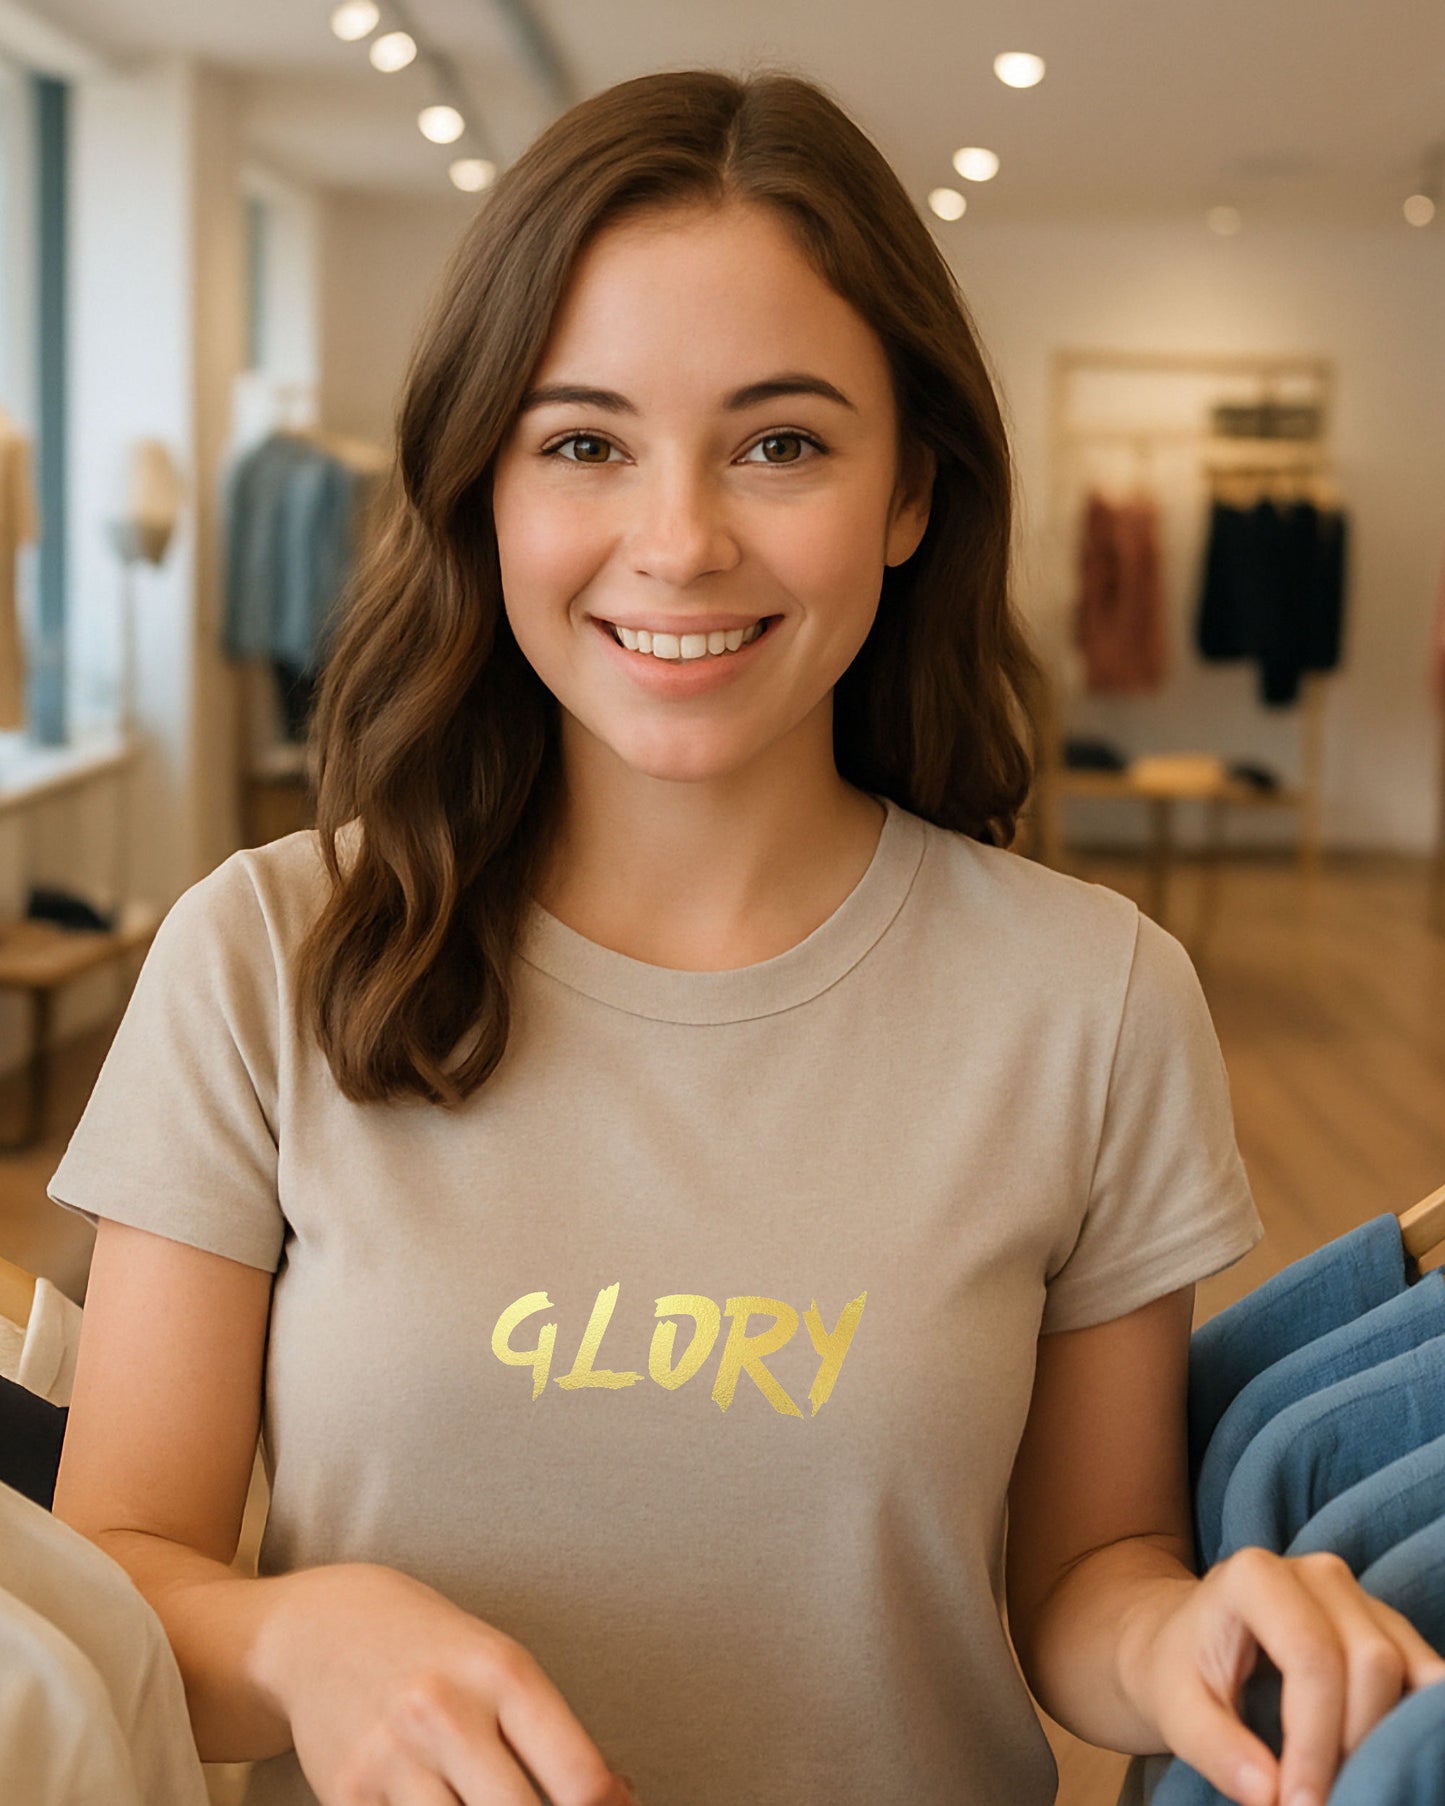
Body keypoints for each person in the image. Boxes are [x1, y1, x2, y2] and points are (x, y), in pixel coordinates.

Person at [45, 67, 1445, 1806]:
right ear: (485, 487)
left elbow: (1086, 1573)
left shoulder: (1093, 995)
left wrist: (1179, 1634)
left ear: (909, 493)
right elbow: (115, 1590)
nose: (681, 540)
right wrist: (299, 1634)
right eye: (583, 443)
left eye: (779, 442)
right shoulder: (261, 955)